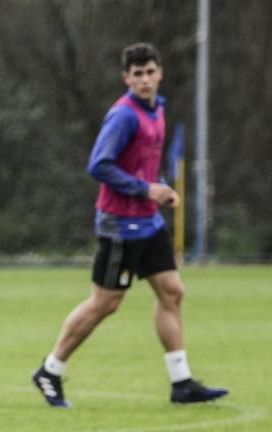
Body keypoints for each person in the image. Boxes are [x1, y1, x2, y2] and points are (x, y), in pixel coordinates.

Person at [31, 43, 227, 408]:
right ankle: (50, 370)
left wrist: (159, 188)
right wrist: (146, 189)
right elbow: (99, 165)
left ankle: (181, 382)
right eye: (137, 74)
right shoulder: (124, 116)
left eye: (150, 72)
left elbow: (142, 164)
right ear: (127, 78)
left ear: (160, 73)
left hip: (149, 222)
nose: (145, 79)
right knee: (105, 303)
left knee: (172, 291)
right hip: (120, 225)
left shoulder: (159, 109)